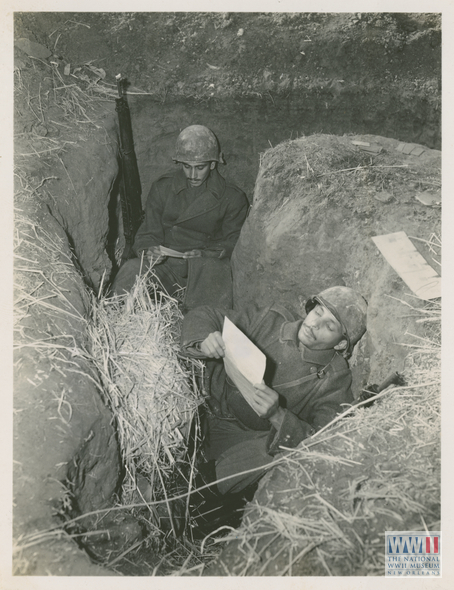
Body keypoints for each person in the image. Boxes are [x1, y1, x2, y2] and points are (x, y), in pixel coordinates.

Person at [180, 286, 368, 498]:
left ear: (341, 343)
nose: (315, 324)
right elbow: (206, 315)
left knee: (279, 451)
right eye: (317, 312)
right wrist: (206, 339)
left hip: (240, 439)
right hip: (205, 399)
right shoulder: (272, 319)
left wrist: (278, 415)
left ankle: (195, 492)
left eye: (329, 326)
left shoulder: (334, 379)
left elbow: (322, 444)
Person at [111, 125, 249, 310]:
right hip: (165, 267)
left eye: (200, 168)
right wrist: (149, 251)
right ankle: (118, 316)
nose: (192, 175)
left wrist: (205, 254)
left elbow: (234, 243)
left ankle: (200, 331)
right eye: (186, 167)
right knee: (130, 270)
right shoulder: (163, 188)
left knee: (206, 315)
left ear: (213, 164)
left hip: (203, 269)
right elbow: (147, 233)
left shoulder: (232, 197)